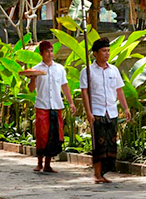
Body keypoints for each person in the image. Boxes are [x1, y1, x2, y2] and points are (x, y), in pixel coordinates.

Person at [80, 37, 131, 183]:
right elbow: (85, 92)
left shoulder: (114, 70)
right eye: (104, 51)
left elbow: (119, 90)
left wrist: (125, 108)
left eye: (108, 50)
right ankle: (97, 174)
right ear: (95, 53)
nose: (107, 53)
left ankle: (104, 172)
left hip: (112, 111)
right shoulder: (87, 71)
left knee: (111, 143)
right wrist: (88, 112)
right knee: (99, 144)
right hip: (97, 111)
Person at [27, 40, 75, 173]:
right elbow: (30, 89)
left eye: (51, 51)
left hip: (56, 105)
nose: (50, 54)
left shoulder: (59, 68)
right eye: (47, 51)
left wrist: (70, 102)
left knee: (54, 135)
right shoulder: (36, 69)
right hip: (42, 105)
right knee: (42, 135)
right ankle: (39, 162)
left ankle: (48, 164)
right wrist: (32, 78)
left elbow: (64, 86)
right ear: (41, 53)